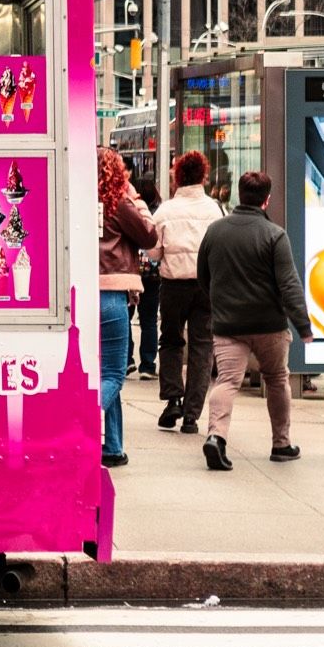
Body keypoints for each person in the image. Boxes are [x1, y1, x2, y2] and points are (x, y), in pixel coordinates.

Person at [196, 169, 310, 471]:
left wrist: (219, 303)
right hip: (268, 324)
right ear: (266, 199)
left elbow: (202, 276)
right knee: (276, 379)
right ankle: (281, 444)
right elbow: (289, 284)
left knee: (227, 381)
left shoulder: (215, 231)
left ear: (239, 193)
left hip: (228, 324)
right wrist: (303, 325)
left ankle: (216, 437)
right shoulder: (275, 235)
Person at [152, 150, 223, 434]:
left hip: (173, 284)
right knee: (202, 347)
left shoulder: (166, 211)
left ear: (178, 177)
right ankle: (192, 415)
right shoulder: (214, 210)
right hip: (206, 286)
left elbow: (154, 252)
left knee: (170, 341)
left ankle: (172, 399)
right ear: (204, 177)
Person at [96, 147, 158, 470]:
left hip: (85, 296)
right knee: (115, 375)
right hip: (112, 295)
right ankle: (84, 417)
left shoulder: (79, 200)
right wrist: (137, 199)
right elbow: (149, 236)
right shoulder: (118, 202)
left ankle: (114, 446)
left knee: (103, 372)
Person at [133, 175, 161, 379]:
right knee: (149, 319)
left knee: (125, 315)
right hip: (153, 274)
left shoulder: (131, 210)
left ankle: (126, 360)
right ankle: (148, 364)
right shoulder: (160, 213)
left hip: (132, 271)